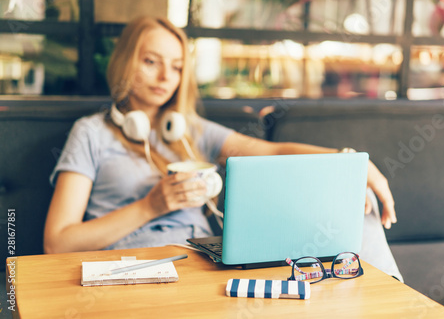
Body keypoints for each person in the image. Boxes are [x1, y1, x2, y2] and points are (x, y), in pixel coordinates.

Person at [43, 16, 402, 281]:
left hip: (198, 265)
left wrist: (349, 162)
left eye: (177, 67)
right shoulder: (91, 133)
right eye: (151, 62)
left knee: (363, 206)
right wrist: (150, 205)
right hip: (132, 266)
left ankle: (393, 302)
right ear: (124, 61)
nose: (166, 77)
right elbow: (57, 243)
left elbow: (270, 152)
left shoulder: (189, 131)